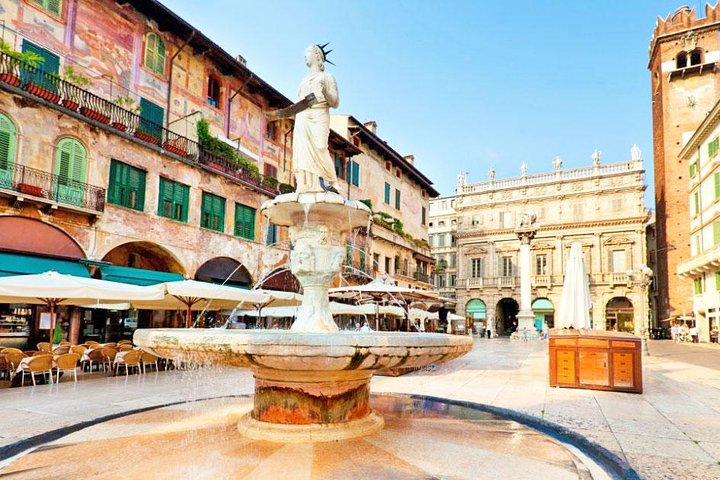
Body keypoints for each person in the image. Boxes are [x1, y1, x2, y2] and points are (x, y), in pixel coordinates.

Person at [269, 44, 340, 194]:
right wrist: (280, 114)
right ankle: (305, 184)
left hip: (319, 114)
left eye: (307, 53)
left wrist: (325, 92)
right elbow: (302, 103)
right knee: (302, 152)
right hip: (303, 117)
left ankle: (333, 182)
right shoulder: (303, 81)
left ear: (317, 55)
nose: (304, 57)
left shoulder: (327, 77)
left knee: (321, 147)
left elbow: (335, 102)